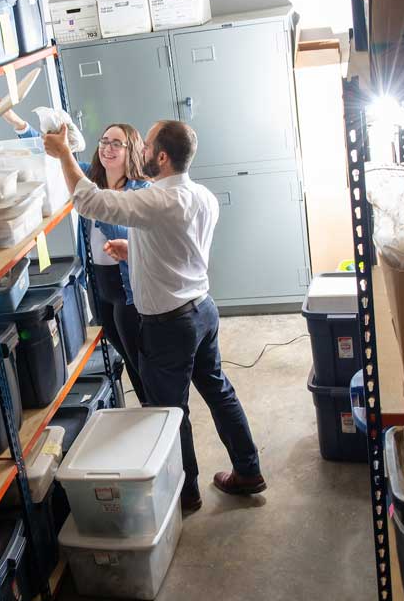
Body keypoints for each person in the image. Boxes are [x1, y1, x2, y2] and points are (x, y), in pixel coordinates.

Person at [41, 119, 266, 512]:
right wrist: (134, 250)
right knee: (218, 391)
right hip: (202, 310)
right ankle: (248, 470)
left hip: (169, 325)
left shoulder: (157, 200)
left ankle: (187, 491)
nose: (140, 151)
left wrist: (63, 154)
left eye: (145, 146)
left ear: (161, 157)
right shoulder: (201, 196)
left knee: (168, 413)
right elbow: (179, 247)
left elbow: (90, 201)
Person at [8, 116, 150, 401]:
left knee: (139, 355)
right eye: (104, 142)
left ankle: (157, 405)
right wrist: (18, 123)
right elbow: (54, 156)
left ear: (131, 149)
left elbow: (120, 232)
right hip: (99, 284)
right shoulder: (89, 179)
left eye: (116, 144)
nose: (107, 148)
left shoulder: (139, 191)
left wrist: (98, 200)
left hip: (127, 288)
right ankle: (149, 404)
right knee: (120, 347)